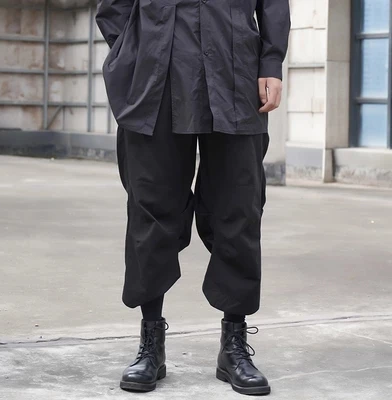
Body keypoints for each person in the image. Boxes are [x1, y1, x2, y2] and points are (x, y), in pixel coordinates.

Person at [96, 0, 290, 395]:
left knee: (238, 208)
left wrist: (271, 62)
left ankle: (233, 346)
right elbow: (112, 8)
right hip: (155, 77)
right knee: (150, 208)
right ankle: (151, 344)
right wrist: (135, 51)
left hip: (234, 71)